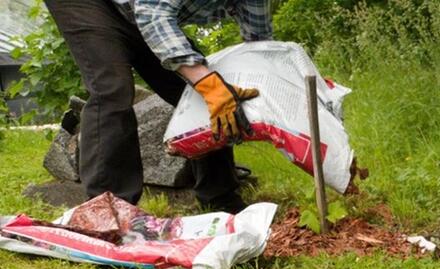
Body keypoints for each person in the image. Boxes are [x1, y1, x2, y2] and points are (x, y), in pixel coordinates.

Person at [44, 0, 271, 212]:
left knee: (198, 87)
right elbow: (152, 14)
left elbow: (259, 45)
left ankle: (221, 198)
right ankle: (108, 211)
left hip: (139, 8)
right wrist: (207, 83)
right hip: (88, 5)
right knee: (112, 88)